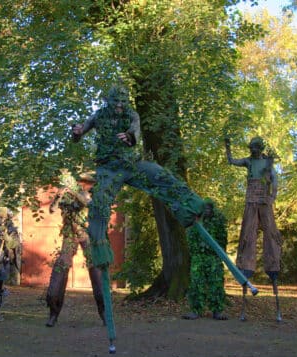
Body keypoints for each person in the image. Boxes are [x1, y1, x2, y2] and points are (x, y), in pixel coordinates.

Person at [71, 86, 206, 272]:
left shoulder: (132, 115)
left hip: (131, 164)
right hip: (109, 168)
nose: (119, 105)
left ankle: (193, 207)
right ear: (108, 101)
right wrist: (77, 132)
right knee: (100, 202)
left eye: (123, 101)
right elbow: (81, 130)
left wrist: (129, 136)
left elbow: (135, 131)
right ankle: (100, 250)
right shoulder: (98, 116)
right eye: (115, 102)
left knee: (160, 174)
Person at [224, 136, 283, 322]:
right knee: (247, 238)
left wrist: (272, 197)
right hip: (251, 202)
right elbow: (231, 161)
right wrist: (228, 147)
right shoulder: (248, 162)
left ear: (260, 148)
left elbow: (274, 180)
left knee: (271, 237)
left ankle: (273, 271)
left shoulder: (267, 162)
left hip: (264, 203)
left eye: (255, 148)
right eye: (251, 148)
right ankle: (245, 272)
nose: (252, 151)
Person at [45, 170, 105, 327]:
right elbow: (51, 210)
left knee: (95, 267)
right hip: (69, 235)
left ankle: (104, 312)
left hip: (85, 234)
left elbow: (86, 203)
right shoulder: (65, 196)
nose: (86, 184)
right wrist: (58, 196)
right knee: (61, 266)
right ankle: (53, 312)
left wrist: (71, 192)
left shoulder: (86, 194)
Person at [183, 199, 228, 321]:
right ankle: (196, 310)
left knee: (216, 283)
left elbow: (222, 240)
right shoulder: (196, 223)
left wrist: (218, 254)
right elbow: (191, 239)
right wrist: (196, 252)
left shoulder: (218, 222)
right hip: (199, 258)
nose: (207, 211)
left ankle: (217, 310)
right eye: (205, 209)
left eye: (209, 208)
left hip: (213, 257)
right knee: (196, 283)